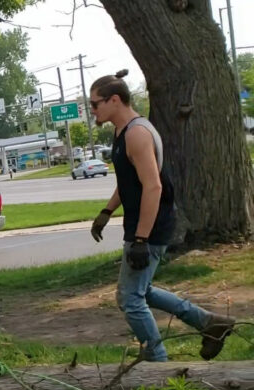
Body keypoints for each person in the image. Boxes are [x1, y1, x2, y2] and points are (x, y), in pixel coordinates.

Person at [88, 70, 234, 361]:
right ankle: (209, 323)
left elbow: (153, 186)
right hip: (142, 223)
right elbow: (128, 181)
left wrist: (142, 238)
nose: (92, 110)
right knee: (141, 290)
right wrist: (106, 212)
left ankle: (158, 361)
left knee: (130, 298)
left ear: (114, 100)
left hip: (151, 225)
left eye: (95, 104)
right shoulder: (122, 132)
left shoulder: (138, 134)